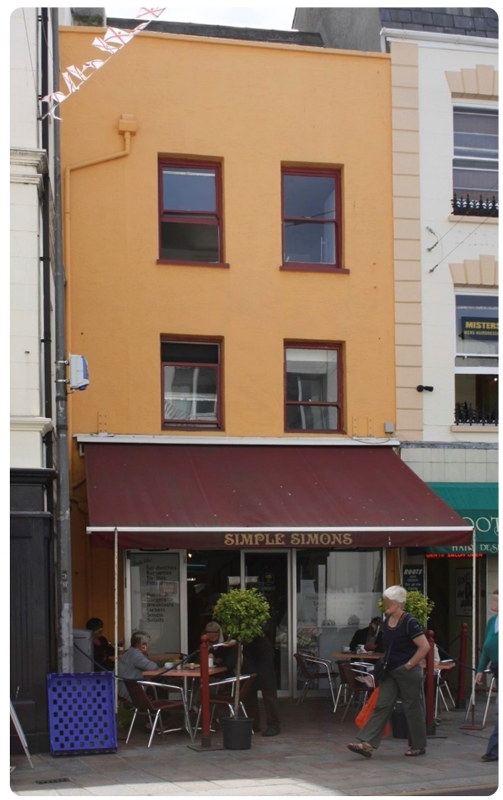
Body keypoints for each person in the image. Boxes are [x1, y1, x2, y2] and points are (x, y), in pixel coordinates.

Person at [347, 585, 430, 758]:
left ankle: (418, 745)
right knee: (382, 706)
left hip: (407, 671)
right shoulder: (386, 622)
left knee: (412, 707)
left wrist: (409, 665)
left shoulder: (409, 622)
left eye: (388, 601)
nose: (385, 604)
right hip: (389, 670)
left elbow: (424, 646)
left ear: (398, 603)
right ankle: (367, 744)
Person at [475, 588, 499, 763]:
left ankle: (494, 749)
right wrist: (480, 669)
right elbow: (486, 646)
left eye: (497, 600)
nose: (494, 603)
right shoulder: (492, 621)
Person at [242, 633, 281, 736]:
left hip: (263, 660)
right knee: (250, 693)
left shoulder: (257, 635)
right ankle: (254, 724)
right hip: (250, 658)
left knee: (268, 693)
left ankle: (273, 725)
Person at [117, 631, 160, 703]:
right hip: (129, 693)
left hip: (122, 690)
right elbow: (152, 667)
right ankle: (160, 708)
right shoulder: (135, 654)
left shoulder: (130, 652)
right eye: (144, 644)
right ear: (137, 644)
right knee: (160, 685)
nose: (148, 646)